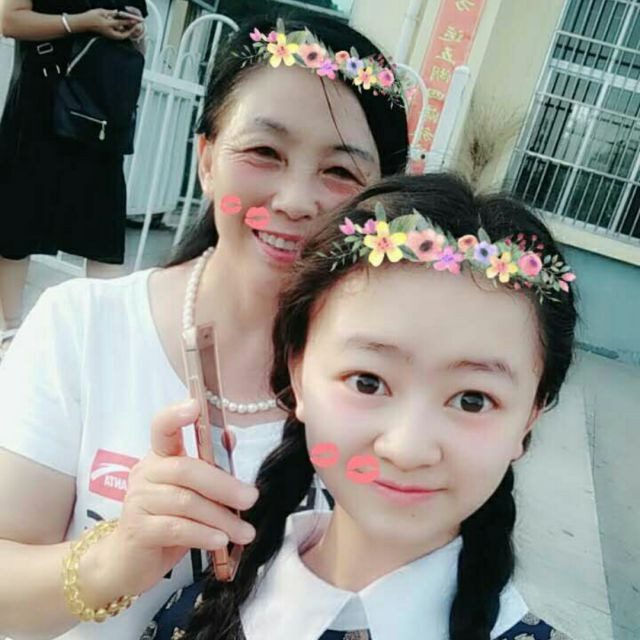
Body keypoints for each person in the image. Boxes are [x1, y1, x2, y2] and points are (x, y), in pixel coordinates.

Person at [0, 13, 409, 640]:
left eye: (340, 172)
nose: (295, 200)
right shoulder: (82, 328)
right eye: (264, 152)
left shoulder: (403, 387)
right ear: (207, 159)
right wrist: (118, 558)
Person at [142, 172, 578, 640]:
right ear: (298, 374)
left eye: (473, 400)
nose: (407, 449)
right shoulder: (197, 611)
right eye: (368, 382)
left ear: (530, 417)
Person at [0, 0, 146, 357]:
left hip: (98, 113)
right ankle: (9, 334)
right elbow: (9, 20)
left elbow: (137, 41)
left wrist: (133, 30)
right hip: (38, 105)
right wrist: (81, 22)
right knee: (16, 226)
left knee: (103, 236)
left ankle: (101, 346)